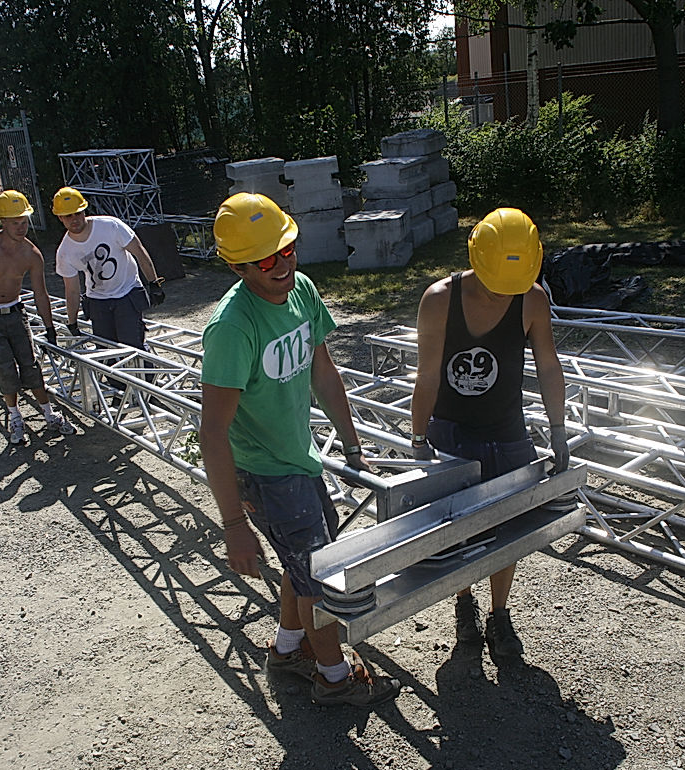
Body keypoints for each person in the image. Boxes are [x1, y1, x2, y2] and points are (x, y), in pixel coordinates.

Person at [198, 192, 401, 707]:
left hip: (299, 458)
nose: (282, 264)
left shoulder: (302, 291)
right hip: (266, 473)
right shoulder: (233, 327)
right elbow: (212, 432)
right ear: (237, 264)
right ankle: (334, 679)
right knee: (317, 580)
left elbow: (324, 373)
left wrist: (353, 448)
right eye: (266, 258)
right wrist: (234, 525)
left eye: (287, 249)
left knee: (304, 566)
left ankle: (288, 650)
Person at [409, 207, 569, 660]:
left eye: (512, 290)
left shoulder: (532, 299)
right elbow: (427, 376)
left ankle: (499, 613)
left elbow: (548, 365)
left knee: (506, 528)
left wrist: (558, 429)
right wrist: (419, 439)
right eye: (498, 287)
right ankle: (464, 602)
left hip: (506, 429)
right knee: (457, 527)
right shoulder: (440, 300)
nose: (504, 297)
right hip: (452, 429)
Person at [0, 190, 76, 445]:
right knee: (4, 369)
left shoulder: (31, 254)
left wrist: (49, 326)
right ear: (2, 221)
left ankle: (48, 414)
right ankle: (15, 417)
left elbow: (41, 293)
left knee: (30, 365)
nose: (21, 228)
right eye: (15, 223)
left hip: (14, 311)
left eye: (24, 222)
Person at [51, 186, 165, 346]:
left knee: (133, 346)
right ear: (60, 218)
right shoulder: (65, 251)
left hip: (127, 292)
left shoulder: (110, 226)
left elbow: (139, 252)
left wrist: (154, 283)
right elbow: (72, 290)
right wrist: (72, 321)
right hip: (98, 299)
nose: (74, 219)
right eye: (68, 216)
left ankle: (146, 372)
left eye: (78, 213)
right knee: (106, 352)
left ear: (85, 211)